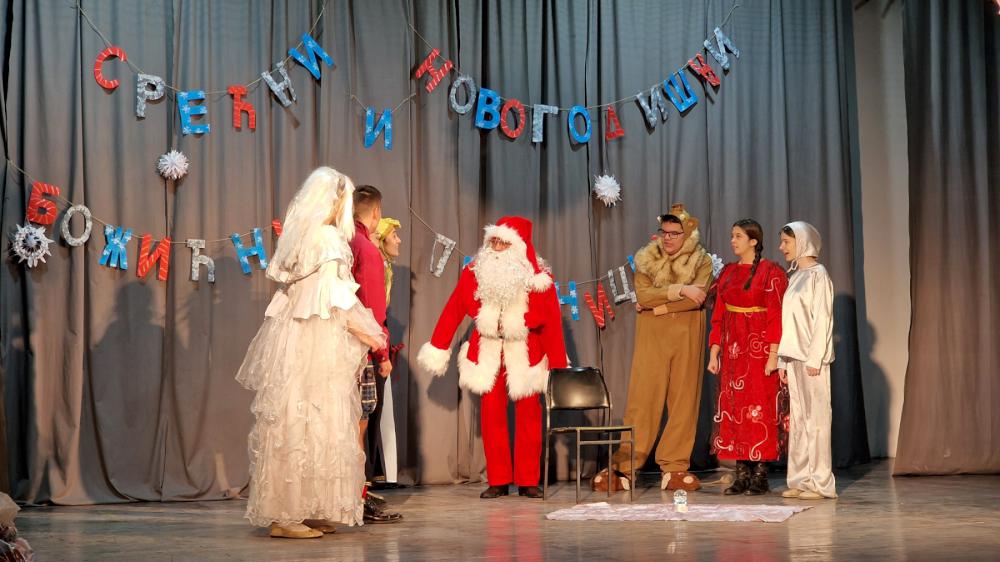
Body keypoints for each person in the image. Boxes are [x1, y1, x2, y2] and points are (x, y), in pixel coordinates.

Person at [236, 167, 386, 539]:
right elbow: (337, 299)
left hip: (296, 339)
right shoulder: (329, 239)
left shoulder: (301, 235)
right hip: (316, 343)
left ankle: (302, 508)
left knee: (300, 420)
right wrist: (372, 334)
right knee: (311, 420)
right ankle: (286, 517)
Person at [417, 216, 568, 499]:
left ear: (519, 246)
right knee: (491, 414)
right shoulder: (475, 272)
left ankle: (528, 480)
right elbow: (454, 308)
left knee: (529, 416)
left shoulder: (538, 280)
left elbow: (551, 323)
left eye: (502, 242)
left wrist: (558, 366)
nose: (496, 248)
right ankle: (498, 480)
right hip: (489, 350)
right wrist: (439, 346)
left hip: (525, 353)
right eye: (493, 241)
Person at [592, 204, 714, 493]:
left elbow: (697, 300)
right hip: (653, 338)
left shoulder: (702, 261)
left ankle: (674, 466)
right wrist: (680, 289)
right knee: (643, 400)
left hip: (686, 335)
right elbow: (644, 295)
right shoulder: (646, 258)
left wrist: (659, 308)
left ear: (688, 235)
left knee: (684, 400)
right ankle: (624, 466)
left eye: (674, 233)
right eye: (664, 232)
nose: (668, 238)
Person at [707, 218, 788, 495]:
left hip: (759, 349)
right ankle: (741, 473)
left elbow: (776, 315)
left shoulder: (771, 272)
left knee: (760, 409)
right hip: (733, 352)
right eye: (732, 235)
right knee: (735, 409)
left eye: (738, 236)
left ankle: (760, 475)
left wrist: (773, 354)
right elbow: (719, 315)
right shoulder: (728, 273)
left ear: (753, 241)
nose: (733, 241)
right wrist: (714, 351)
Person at [349, 185, 402, 523]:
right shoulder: (365, 249)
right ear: (376, 213)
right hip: (360, 349)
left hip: (337, 345)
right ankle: (356, 499)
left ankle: (351, 495)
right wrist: (382, 353)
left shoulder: (342, 242)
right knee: (360, 423)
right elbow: (371, 309)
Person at [776, 221, 838, 500]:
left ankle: (820, 482)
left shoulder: (818, 275)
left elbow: (823, 318)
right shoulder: (796, 276)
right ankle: (801, 479)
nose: (782, 247)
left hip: (812, 358)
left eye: (786, 242)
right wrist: (783, 360)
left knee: (817, 420)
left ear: (802, 242)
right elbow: (789, 322)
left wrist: (816, 357)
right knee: (799, 420)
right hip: (794, 357)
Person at [372, 217, 403, 486]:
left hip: (379, 338)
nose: (398, 240)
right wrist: (381, 351)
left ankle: (375, 474)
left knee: (377, 410)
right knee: (370, 410)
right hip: (372, 342)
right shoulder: (375, 267)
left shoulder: (385, 267)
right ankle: (366, 480)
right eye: (393, 236)